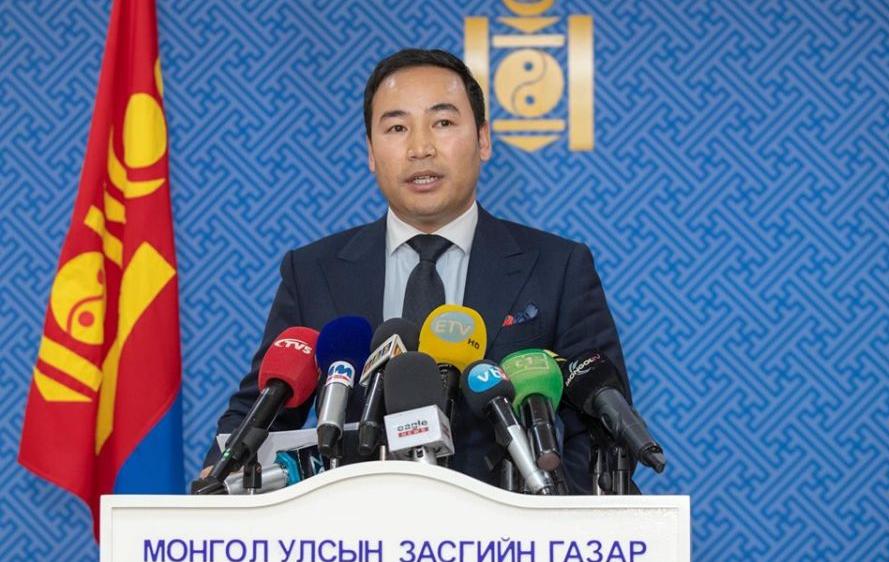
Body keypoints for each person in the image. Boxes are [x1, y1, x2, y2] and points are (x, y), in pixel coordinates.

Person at [202, 49, 631, 492]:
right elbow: (265, 407)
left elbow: (601, 430)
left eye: (442, 123)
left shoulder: (557, 267)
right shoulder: (314, 272)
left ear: (483, 139)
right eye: (397, 128)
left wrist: (548, 516)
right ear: (371, 151)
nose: (420, 148)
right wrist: (221, 478)